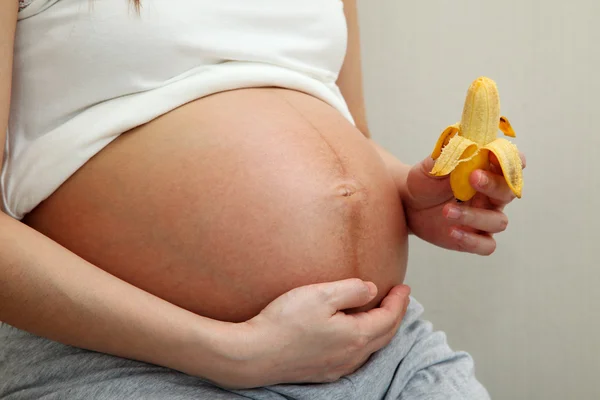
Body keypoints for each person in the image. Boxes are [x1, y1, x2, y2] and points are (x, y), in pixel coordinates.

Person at [0, 0, 522, 398]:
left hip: (381, 351)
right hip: (136, 362)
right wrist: (232, 353)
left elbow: (349, 131)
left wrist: (411, 195)